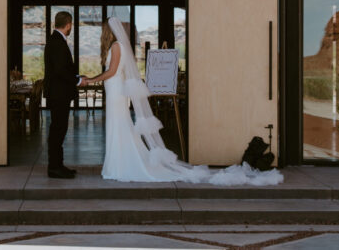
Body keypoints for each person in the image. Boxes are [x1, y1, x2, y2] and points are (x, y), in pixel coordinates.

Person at [86, 16, 284, 185]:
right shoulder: (118, 45)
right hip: (114, 91)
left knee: (119, 127)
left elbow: (111, 72)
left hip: (115, 93)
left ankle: (121, 165)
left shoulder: (117, 46)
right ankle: (118, 163)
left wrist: (90, 80)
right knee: (118, 127)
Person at [43, 10, 89, 179]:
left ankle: (58, 165)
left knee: (59, 129)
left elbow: (61, 69)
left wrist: (77, 77)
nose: (71, 28)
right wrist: (77, 82)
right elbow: (60, 70)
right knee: (58, 129)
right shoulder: (57, 42)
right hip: (59, 94)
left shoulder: (55, 40)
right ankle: (54, 167)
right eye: (71, 25)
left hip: (59, 93)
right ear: (68, 24)